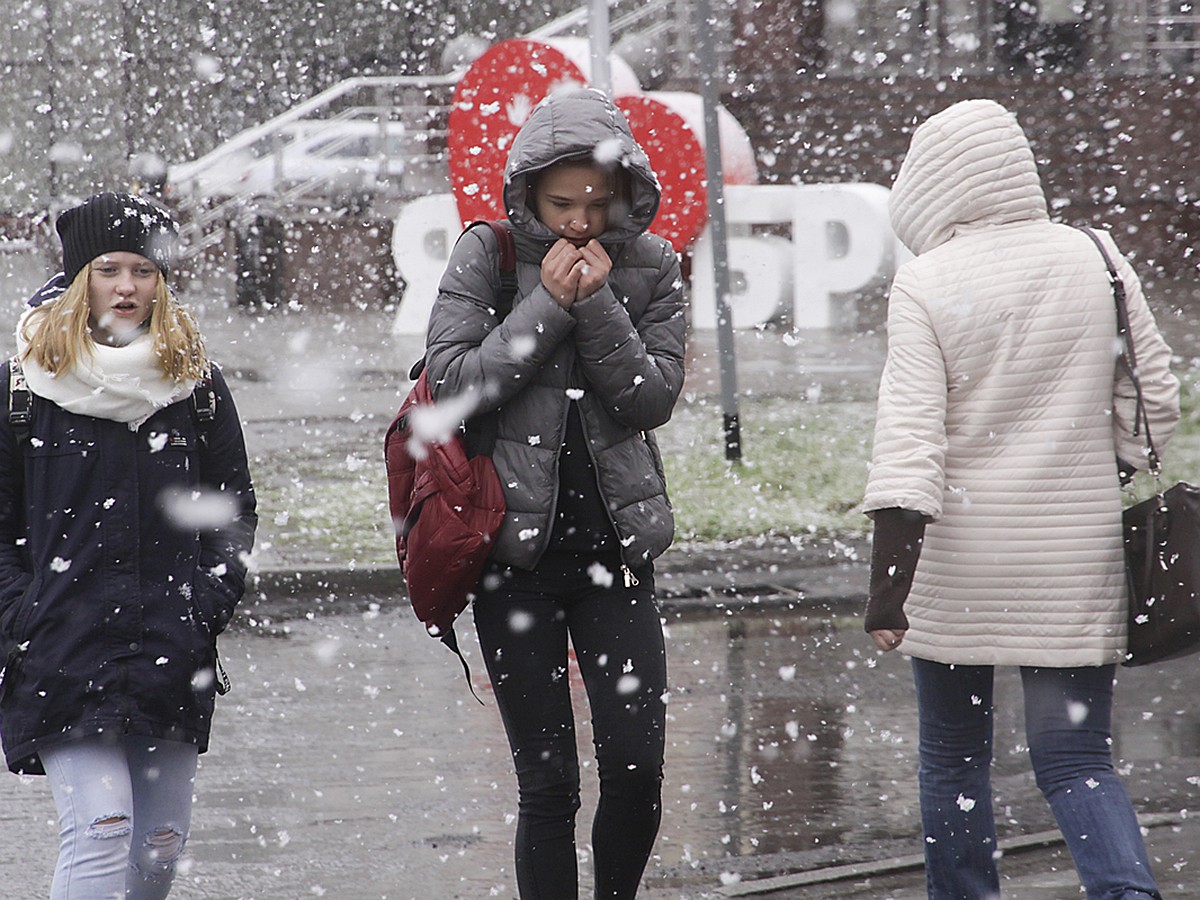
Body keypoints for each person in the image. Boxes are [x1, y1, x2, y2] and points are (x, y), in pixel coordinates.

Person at [862, 99, 1180, 899]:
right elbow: (1157, 401)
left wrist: (887, 594)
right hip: (1072, 555)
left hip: (955, 559)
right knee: (1076, 759)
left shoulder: (926, 283)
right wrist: (1100, 471)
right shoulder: (1095, 255)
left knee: (954, 756)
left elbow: (910, 444)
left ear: (931, 183)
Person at [423, 87, 686, 899]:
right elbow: (454, 383)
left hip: (618, 558)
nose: (579, 223)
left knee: (637, 772)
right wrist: (547, 303)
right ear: (529, 195)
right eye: (561, 204)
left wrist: (597, 302)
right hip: (514, 560)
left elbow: (650, 399)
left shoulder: (651, 265)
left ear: (625, 195)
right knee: (548, 789)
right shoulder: (488, 255)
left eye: (597, 204)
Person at [0, 191, 258, 899]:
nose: (126, 287)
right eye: (109, 269)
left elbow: (232, 510)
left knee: (159, 843)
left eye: (143, 271)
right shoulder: (25, 386)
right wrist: (24, 616)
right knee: (104, 827)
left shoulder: (193, 386)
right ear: (81, 278)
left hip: (169, 647)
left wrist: (204, 605)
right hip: (63, 648)